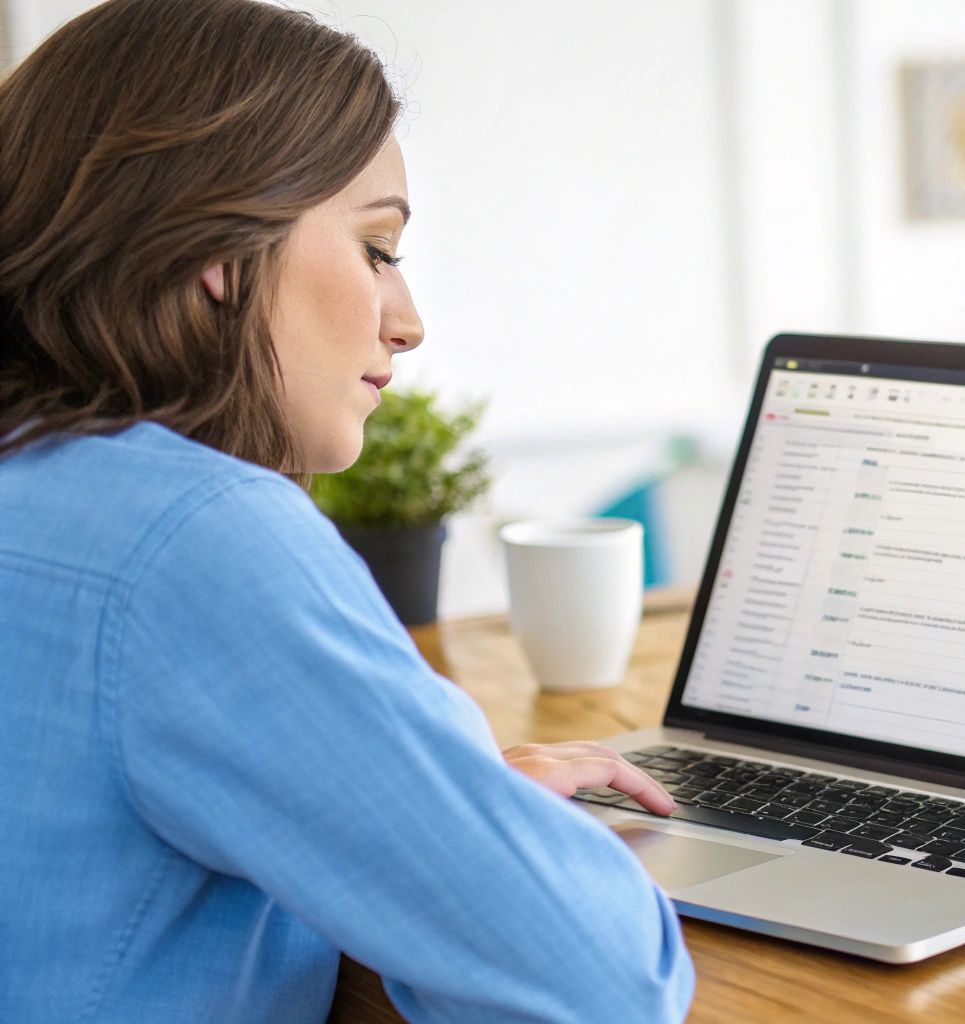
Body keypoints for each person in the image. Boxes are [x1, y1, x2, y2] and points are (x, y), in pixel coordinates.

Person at [0, 1, 693, 1020]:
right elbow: (603, 989)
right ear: (219, 249)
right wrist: (468, 795)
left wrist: (422, 796)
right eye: (377, 248)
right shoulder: (198, 540)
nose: (406, 322)